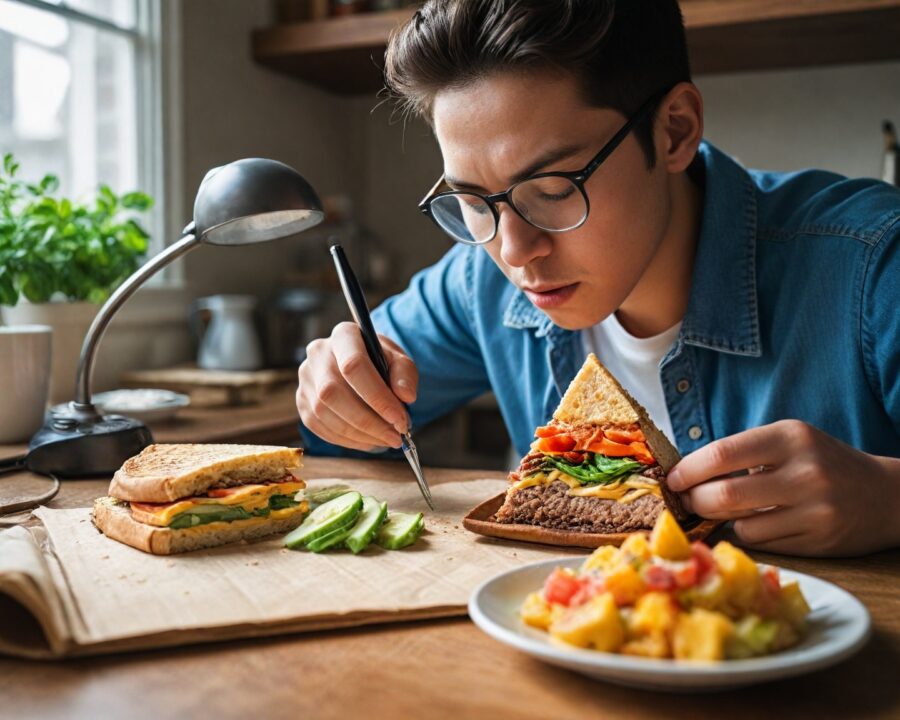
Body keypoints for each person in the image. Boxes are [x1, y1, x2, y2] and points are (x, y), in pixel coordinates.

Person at [296, 0, 900, 556]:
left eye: (554, 189)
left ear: (675, 131)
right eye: (473, 202)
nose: (514, 250)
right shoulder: (474, 282)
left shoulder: (873, 264)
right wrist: (337, 393)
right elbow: (340, 422)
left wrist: (889, 499)